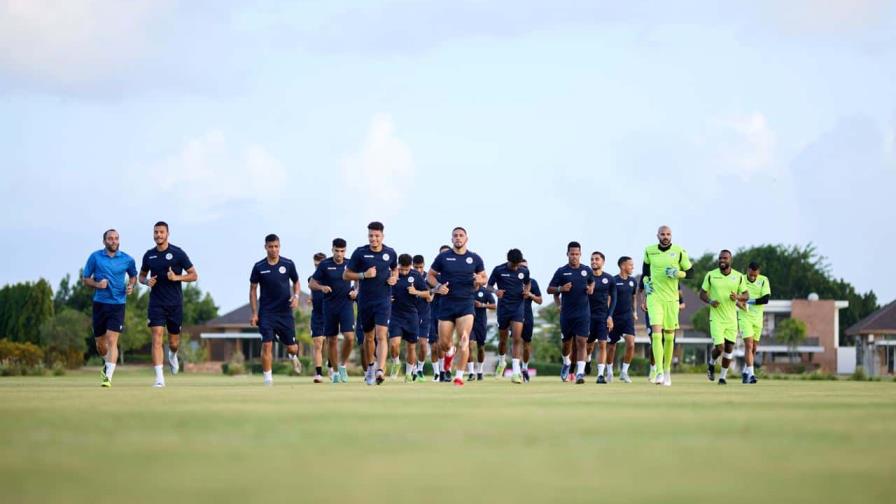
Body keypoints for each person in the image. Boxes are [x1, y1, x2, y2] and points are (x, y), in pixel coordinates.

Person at [138, 221, 198, 387]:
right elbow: (141, 276)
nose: (158, 235)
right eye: (156, 232)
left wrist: (177, 278)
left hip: (175, 304)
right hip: (156, 304)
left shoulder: (178, 253)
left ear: (167, 234)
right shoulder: (148, 255)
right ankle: (159, 379)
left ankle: (173, 355)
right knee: (156, 338)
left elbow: (194, 275)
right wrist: (145, 281)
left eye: (161, 232)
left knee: (173, 343)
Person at [427, 227, 487, 387]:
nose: (458, 238)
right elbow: (430, 275)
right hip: (446, 304)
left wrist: (479, 281)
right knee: (444, 344)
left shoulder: (475, 258)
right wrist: (439, 286)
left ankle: (459, 376)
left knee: (464, 339)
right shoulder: (443, 257)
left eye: (461, 235)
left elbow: (484, 277)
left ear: (466, 238)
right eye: (455, 236)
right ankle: (450, 352)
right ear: (451, 239)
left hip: (466, 304)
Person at [344, 222, 398, 385]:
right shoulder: (360, 253)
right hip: (365, 301)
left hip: (383, 300)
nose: (373, 239)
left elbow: (394, 269)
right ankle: (370, 368)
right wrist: (363, 275)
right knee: (368, 338)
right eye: (371, 236)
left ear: (382, 236)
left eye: (376, 236)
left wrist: (394, 278)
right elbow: (346, 275)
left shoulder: (390, 253)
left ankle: (380, 370)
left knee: (381, 336)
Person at [83, 229, 137, 388]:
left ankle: (108, 378)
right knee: (101, 346)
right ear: (104, 241)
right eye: (110, 238)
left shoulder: (127, 259)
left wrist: (131, 286)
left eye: (116, 238)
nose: (113, 241)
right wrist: (97, 284)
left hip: (118, 304)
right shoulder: (95, 257)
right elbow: (86, 279)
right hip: (99, 303)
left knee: (112, 340)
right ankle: (106, 365)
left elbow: (133, 276)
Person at [642, 225, 693, 387]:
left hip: (672, 300)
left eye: (668, 234)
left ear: (671, 236)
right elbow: (645, 273)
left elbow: (691, 273)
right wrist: (645, 284)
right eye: (662, 234)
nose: (665, 236)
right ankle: (658, 372)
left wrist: (678, 273)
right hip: (654, 297)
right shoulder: (649, 250)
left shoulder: (679, 251)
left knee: (670, 336)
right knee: (657, 335)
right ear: (657, 235)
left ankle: (667, 370)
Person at [249, 234, 301, 386]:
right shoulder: (259, 267)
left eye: (276, 246)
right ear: (265, 247)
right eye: (270, 247)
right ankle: (268, 379)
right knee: (267, 344)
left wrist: (296, 296)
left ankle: (293, 357)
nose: (273, 249)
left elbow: (296, 282)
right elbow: (253, 290)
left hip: (285, 312)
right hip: (266, 313)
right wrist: (254, 313)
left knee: (292, 348)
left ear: (280, 246)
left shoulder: (288, 264)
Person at [309, 238, 356, 384]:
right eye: (337, 250)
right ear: (332, 250)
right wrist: (321, 287)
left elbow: (359, 280)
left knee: (349, 337)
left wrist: (356, 291)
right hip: (329, 307)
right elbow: (312, 283)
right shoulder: (325, 264)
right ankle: (335, 372)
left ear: (345, 251)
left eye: (342, 251)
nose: (339, 254)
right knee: (332, 340)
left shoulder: (350, 263)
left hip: (346, 305)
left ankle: (342, 365)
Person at [547, 241, 595, 384]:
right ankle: (566, 363)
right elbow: (550, 289)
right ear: (567, 254)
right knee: (566, 343)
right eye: (572, 254)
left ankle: (580, 373)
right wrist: (561, 289)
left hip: (583, 313)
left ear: (580, 254)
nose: (574, 256)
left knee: (582, 342)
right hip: (567, 314)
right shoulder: (561, 271)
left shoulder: (587, 270)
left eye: (577, 254)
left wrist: (591, 288)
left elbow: (592, 282)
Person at [701, 250, 749, 385]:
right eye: (720, 258)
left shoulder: (739, 277)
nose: (722, 260)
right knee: (720, 347)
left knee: (729, 349)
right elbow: (702, 294)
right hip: (716, 318)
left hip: (732, 319)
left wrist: (738, 297)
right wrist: (710, 301)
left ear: (730, 260)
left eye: (725, 258)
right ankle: (711, 362)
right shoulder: (711, 275)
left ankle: (722, 377)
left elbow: (746, 295)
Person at [487, 248, 531, 383]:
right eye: (513, 264)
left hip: (518, 308)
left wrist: (527, 291)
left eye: (518, 264)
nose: (515, 267)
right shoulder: (498, 270)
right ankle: (502, 362)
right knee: (503, 339)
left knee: (517, 338)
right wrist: (495, 291)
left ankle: (516, 372)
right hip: (503, 309)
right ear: (508, 260)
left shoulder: (524, 271)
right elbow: (488, 286)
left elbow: (528, 282)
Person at [389, 254, 431, 382]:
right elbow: (383, 290)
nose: (404, 272)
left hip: (412, 315)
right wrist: (388, 298)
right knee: (394, 345)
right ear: (398, 265)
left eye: (406, 270)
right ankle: (396, 362)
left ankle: (408, 374)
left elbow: (427, 294)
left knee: (411, 347)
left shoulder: (416, 276)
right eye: (401, 269)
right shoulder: (391, 275)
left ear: (410, 267)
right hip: (395, 315)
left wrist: (416, 292)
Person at [739, 262, 771, 384]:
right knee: (749, 345)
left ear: (759, 272)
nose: (752, 277)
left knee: (754, 348)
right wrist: (739, 303)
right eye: (751, 275)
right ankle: (752, 375)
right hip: (744, 317)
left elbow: (765, 299)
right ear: (747, 270)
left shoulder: (764, 280)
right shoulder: (740, 279)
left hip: (758, 318)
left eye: (755, 275)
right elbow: (734, 297)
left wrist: (748, 301)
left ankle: (745, 372)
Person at [607, 256, 637, 383]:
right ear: (623, 266)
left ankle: (624, 372)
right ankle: (609, 372)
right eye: (630, 265)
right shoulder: (613, 280)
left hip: (627, 317)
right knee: (611, 346)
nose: (632, 267)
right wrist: (608, 316)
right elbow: (608, 299)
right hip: (614, 318)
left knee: (631, 344)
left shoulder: (633, 281)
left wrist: (634, 312)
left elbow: (634, 297)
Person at [588, 251, 617, 384]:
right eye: (592, 259)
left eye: (597, 259)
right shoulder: (586, 277)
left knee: (602, 344)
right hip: (587, 316)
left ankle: (600, 375)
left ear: (603, 262)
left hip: (602, 316)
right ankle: (587, 360)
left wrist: (610, 316)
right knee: (587, 346)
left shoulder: (609, 279)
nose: (594, 261)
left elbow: (614, 299)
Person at [429, 245, 451, 382]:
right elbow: (426, 292)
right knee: (435, 345)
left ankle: (445, 370)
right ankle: (438, 373)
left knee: (446, 344)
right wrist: (436, 289)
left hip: (450, 312)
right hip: (433, 312)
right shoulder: (432, 276)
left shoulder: (455, 274)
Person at [520, 259, 542, 382]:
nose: (524, 270)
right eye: (521, 267)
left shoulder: (532, 282)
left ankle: (524, 368)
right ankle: (517, 370)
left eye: (526, 268)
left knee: (526, 345)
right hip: (514, 315)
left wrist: (531, 295)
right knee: (516, 342)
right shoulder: (512, 280)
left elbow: (540, 300)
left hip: (528, 315)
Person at [470, 285, 496, 381]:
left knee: (480, 348)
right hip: (468, 321)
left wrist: (482, 305)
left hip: (481, 322)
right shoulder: (466, 288)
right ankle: (471, 372)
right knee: (469, 345)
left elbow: (494, 305)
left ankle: (480, 371)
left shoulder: (485, 291)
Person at [413, 255, 432, 380]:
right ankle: (413, 370)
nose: (419, 270)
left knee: (423, 344)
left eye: (421, 267)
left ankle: (420, 368)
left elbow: (430, 297)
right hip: (410, 314)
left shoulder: (429, 279)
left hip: (425, 314)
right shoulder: (408, 277)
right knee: (411, 344)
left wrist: (417, 292)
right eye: (416, 267)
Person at [308, 252, 327, 382]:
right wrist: (311, 298)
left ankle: (332, 367)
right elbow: (312, 291)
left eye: (320, 264)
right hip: (317, 315)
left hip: (330, 314)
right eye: (316, 265)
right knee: (318, 344)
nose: (317, 267)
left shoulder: (332, 278)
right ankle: (319, 373)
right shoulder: (311, 279)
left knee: (331, 342)